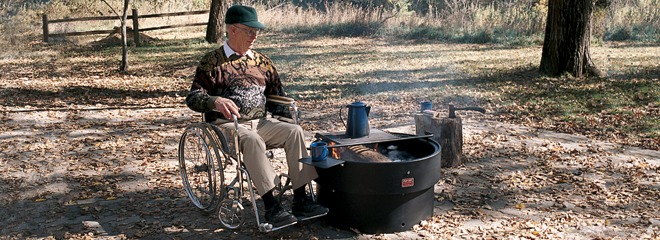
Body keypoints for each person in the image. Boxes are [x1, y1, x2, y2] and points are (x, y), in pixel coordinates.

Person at [185, 5, 328, 228]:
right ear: (232, 30)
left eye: (256, 31)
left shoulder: (263, 62)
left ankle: (301, 199)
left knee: (295, 132)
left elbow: (276, 97)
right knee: (252, 140)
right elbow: (193, 97)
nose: (254, 36)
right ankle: (271, 206)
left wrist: (287, 117)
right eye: (249, 31)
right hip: (225, 125)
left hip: (261, 123)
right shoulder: (211, 62)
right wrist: (215, 101)